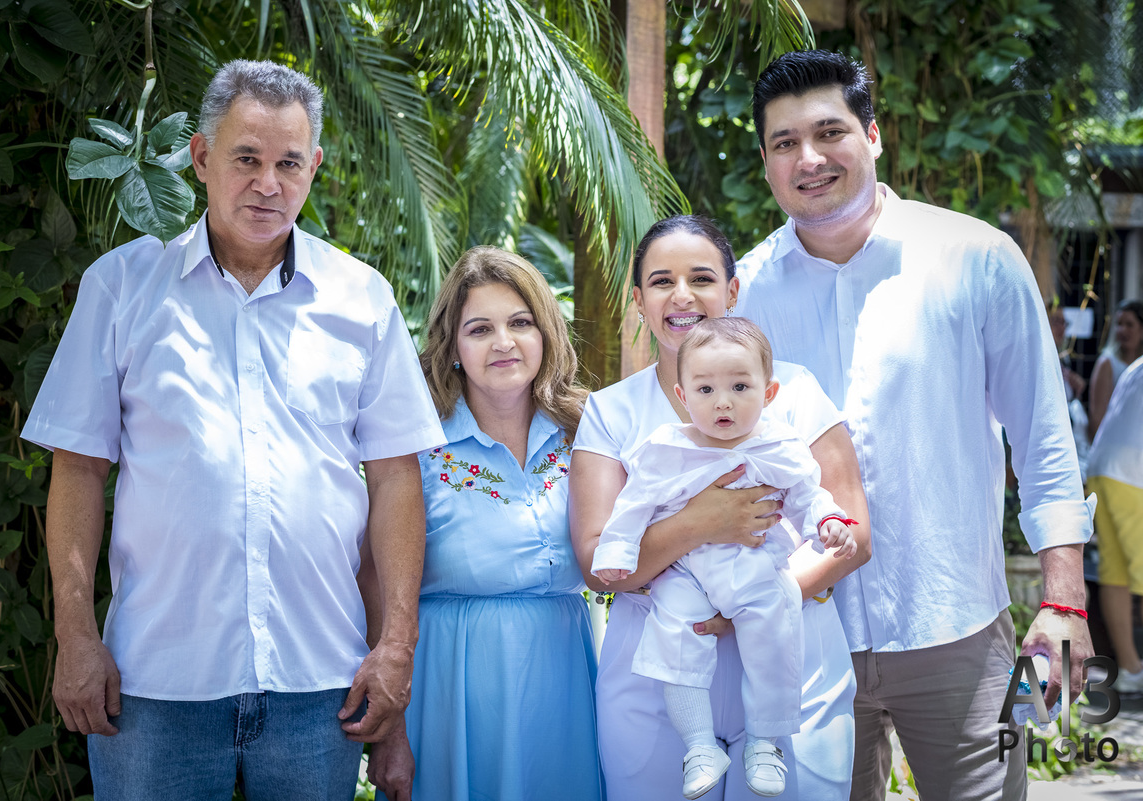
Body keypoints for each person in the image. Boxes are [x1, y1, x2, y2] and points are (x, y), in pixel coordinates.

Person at [22, 60, 445, 799]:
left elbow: (394, 479)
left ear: (313, 166)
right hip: (154, 683)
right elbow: (79, 467)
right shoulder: (121, 286)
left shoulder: (362, 298)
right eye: (246, 159)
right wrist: (75, 634)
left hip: (321, 683)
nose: (269, 184)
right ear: (200, 157)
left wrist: (395, 646)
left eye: (288, 163)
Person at [735, 49, 1095, 801]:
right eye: (784, 142)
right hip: (801, 637)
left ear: (873, 135)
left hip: (961, 630)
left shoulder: (976, 257)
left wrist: (1063, 604)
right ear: (765, 161)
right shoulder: (743, 293)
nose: (809, 158)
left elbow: (1044, 440)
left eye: (829, 131)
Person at [570, 215, 872, 801]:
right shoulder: (611, 414)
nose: (682, 295)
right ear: (638, 300)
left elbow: (853, 532)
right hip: (658, 670)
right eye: (661, 281)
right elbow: (596, 560)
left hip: (790, 652)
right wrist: (700, 523)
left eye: (701, 278)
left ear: (732, 292)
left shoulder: (795, 390)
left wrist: (756, 606)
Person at [369, 247, 603, 801]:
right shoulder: (414, 449)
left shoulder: (591, 435)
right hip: (450, 686)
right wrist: (389, 727)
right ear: (452, 348)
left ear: (546, 333)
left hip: (565, 677)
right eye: (480, 329)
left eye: (521, 323)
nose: (504, 342)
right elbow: (372, 577)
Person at [1089, 355, 1143, 692]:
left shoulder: (1137, 363)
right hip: (1132, 473)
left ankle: (1130, 670)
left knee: (1115, 574)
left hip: (1102, 466)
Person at [1089, 299, 1143, 439]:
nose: (1122, 330)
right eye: (1119, 324)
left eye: (1129, 325)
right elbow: (1097, 419)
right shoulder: (1107, 363)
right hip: (1115, 446)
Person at [1048, 304, 1090, 481]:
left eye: (1064, 322)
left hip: (1076, 464)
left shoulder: (1062, 360)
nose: (1062, 328)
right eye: (1056, 321)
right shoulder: (1039, 362)